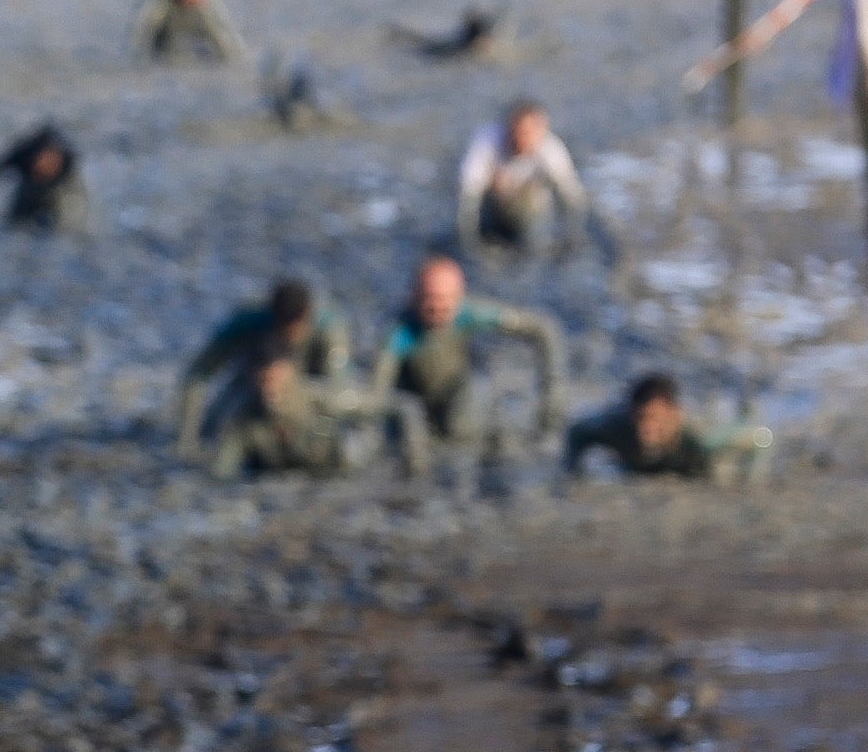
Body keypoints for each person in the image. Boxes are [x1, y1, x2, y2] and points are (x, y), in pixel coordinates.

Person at [368, 252, 562, 474]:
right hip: (415, 406)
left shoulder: (469, 315)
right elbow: (379, 390)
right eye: (429, 298)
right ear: (414, 296)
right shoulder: (400, 332)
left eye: (445, 300)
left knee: (473, 402)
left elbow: (540, 328)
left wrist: (552, 396)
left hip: (459, 400)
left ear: (459, 297)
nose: (436, 307)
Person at [176, 278, 352, 458]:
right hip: (250, 392)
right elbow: (197, 374)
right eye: (284, 331)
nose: (291, 337)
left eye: (296, 331)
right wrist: (187, 439)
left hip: (307, 396)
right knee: (217, 426)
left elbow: (339, 386)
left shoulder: (329, 329)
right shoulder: (249, 321)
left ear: (308, 316)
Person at [563, 372, 768, 480]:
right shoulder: (618, 427)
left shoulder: (699, 438)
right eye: (641, 418)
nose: (647, 428)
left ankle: (747, 401)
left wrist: (751, 479)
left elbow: (762, 438)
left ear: (675, 415)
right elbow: (576, 432)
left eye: (656, 419)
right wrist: (573, 473)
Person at [458, 100, 589, 253]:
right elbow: (468, 194)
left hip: (533, 213)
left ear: (541, 131)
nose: (523, 139)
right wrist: (469, 240)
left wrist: (571, 238)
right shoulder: (487, 142)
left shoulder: (552, 152)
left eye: (529, 133)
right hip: (492, 207)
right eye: (519, 132)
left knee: (533, 245)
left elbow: (571, 197)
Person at [205, 344, 343, 478]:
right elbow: (222, 469)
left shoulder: (320, 407)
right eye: (264, 376)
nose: (271, 380)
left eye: (277, 372)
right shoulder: (245, 420)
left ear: (292, 370)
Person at [0, 123, 90, 233]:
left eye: (50, 168)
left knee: (53, 221)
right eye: (42, 168)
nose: (45, 171)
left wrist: (79, 221)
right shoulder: (21, 154)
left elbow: (79, 195)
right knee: (15, 222)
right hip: (27, 187)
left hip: (54, 191)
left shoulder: (68, 160)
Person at [133, 0, 246, 63]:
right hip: (165, 41)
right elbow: (141, 34)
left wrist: (234, 59)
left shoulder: (206, 7)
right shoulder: (160, 4)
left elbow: (227, 40)